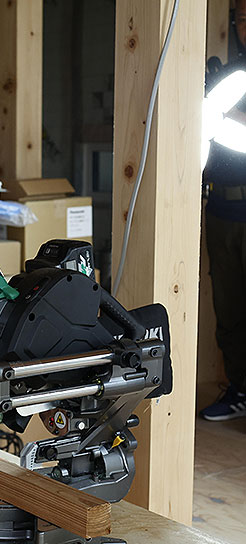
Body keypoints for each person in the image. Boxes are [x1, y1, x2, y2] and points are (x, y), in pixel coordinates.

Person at [201, 0, 246, 421]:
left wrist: (224, 111)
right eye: (242, 17)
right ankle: (239, 389)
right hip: (221, 207)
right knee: (228, 310)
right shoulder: (229, 72)